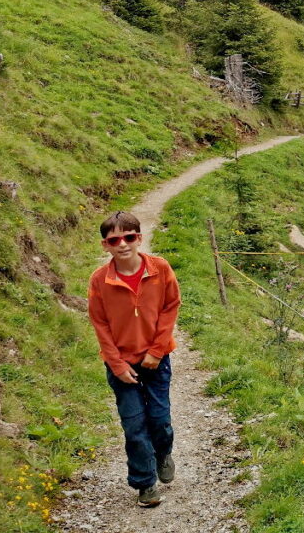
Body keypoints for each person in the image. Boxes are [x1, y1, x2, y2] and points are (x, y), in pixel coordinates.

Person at [87, 211, 181, 508]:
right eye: (115, 239)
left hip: (156, 360)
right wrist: (116, 364)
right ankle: (145, 484)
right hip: (121, 365)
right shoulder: (100, 280)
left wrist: (157, 350)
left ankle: (163, 452)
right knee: (134, 425)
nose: (123, 244)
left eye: (129, 237)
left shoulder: (160, 269)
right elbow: (100, 323)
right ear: (106, 245)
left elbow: (170, 306)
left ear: (139, 238)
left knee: (159, 420)